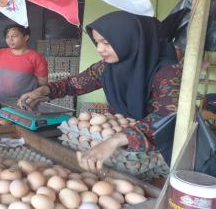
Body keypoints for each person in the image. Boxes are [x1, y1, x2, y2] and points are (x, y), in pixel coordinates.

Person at [18, 11, 182, 172]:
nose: (99, 49)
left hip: (153, 157)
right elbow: (74, 84)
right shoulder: (107, 68)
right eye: (97, 42)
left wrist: (114, 141)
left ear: (131, 40)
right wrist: (43, 90)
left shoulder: (168, 72)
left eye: (107, 43)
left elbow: (167, 115)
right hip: (118, 149)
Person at [0, 24, 48, 103]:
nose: (10, 40)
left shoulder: (37, 58)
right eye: (7, 37)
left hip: (24, 104)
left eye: (14, 36)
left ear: (26, 37)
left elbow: (43, 84)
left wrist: (34, 100)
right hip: (0, 102)